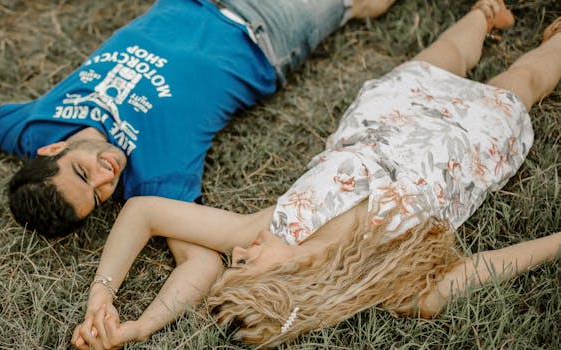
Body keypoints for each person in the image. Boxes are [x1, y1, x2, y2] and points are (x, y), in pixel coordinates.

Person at [71, 1, 561, 348]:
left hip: (389, 115)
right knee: (523, 82)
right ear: (285, 282)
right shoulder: (389, 283)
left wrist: (114, 304)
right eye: (243, 265)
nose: (237, 253)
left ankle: (483, 15)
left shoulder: (273, 227)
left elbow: (143, 211)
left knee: (443, 58)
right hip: (468, 147)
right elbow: (492, 264)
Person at [0, 0, 394, 239]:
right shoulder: (153, 178)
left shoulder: (30, 129)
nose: (108, 176)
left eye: (86, 174)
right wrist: (127, 317)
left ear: (48, 153)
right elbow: (193, 253)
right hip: (264, 28)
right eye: (102, 194)